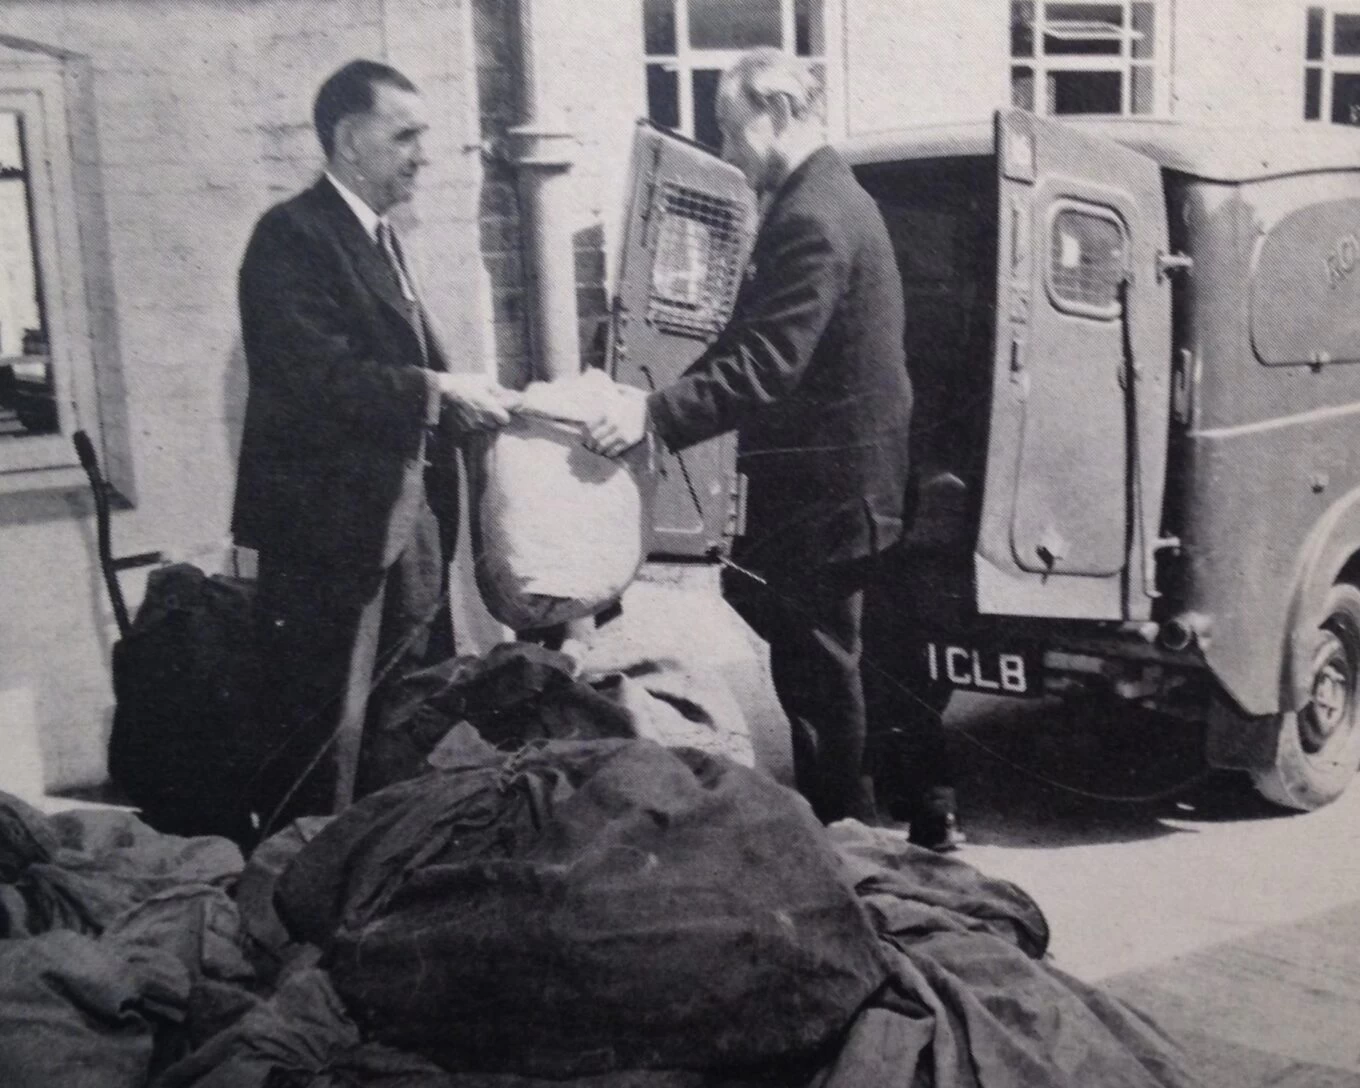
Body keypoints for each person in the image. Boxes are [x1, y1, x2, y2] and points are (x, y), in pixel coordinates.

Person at [586, 49, 955, 844]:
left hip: (826, 497)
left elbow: (766, 362)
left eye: (730, 128)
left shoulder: (811, 215)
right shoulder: (830, 199)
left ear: (779, 112)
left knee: (821, 678)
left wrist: (651, 414)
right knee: (866, 658)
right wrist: (657, 399)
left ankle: (843, 843)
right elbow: (750, 341)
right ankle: (927, 811)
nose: (727, 151)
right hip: (857, 487)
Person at [232, 59, 516, 832]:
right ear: (352, 140)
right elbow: (315, 378)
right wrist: (439, 389)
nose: (423, 153)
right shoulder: (290, 237)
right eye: (407, 135)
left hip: (402, 534)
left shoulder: (379, 239)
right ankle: (309, 893)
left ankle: (394, 880)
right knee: (332, 742)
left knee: (411, 722)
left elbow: (393, 367)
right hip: (336, 547)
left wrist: (484, 402)